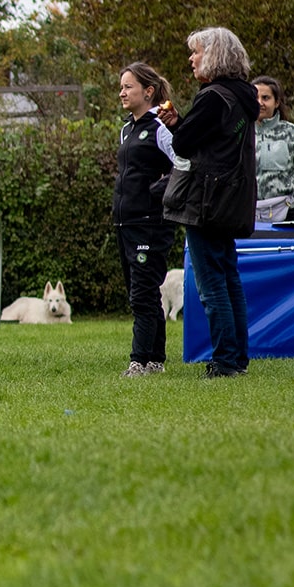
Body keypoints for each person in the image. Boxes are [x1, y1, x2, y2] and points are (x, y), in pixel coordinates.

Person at [159, 27, 259, 378]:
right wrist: (182, 125)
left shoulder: (213, 96)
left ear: (214, 55)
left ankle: (224, 361)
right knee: (229, 278)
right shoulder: (244, 96)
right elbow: (211, 141)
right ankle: (238, 359)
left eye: (197, 52)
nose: (191, 58)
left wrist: (176, 127)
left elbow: (186, 145)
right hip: (233, 198)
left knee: (211, 283)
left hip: (207, 200)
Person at [112, 62, 176, 377]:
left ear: (148, 91)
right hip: (125, 223)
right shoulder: (127, 128)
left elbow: (185, 164)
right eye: (122, 87)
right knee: (142, 292)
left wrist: (157, 191)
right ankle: (155, 360)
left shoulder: (161, 128)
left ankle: (138, 361)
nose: (122, 92)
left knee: (143, 292)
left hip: (152, 223)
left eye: (128, 87)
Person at [252, 75, 294, 222]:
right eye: (255, 97)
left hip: (286, 211)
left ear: (277, 102)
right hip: (247, 214)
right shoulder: (240, 132)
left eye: (265, 98)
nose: (260, 103)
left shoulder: (291, 133)